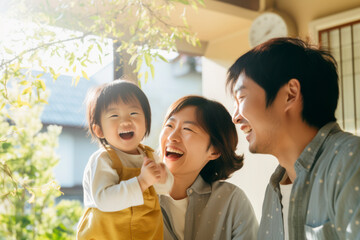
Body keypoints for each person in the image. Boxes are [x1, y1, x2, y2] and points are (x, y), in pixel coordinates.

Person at [226, 37, 360, 240]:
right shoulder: (275, 188)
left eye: (242, 97)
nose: (235, 117)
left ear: (290, 94)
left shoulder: (351, 161)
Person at [77, 79, 173, 240]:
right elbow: (104, 199)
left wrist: (163, 178)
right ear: (99, 130)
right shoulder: (103, 159)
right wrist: (142, 182)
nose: (126, 121)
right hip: (107, 234)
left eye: (133, 113)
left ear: (146, 122)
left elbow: (164, 190)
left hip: (146, 233)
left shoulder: (149, 156)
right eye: (114, 115)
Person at [158, 95, 258, 240]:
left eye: (187, 129)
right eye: (169, 126)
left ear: (215, 150)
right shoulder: (134, 195)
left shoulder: (231, 201)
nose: (172, 137)